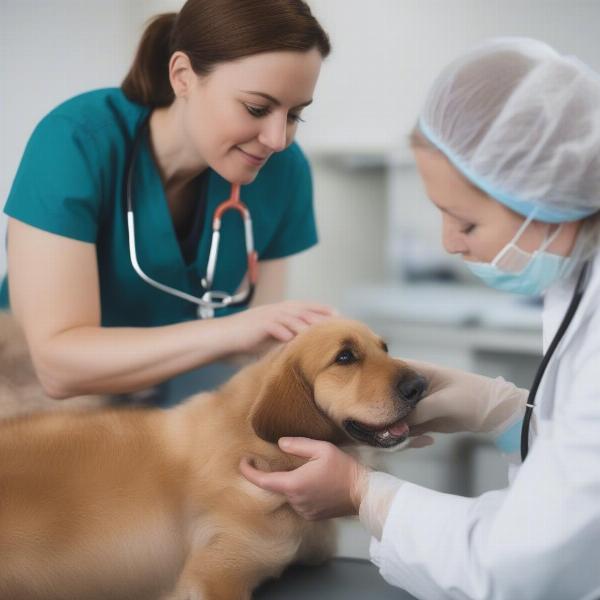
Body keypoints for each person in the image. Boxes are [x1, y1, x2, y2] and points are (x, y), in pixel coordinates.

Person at [241, 37, 600, 599]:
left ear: (547, 203)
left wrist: (365, 494)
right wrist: (510, 414)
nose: (449, 244)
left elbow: (519, 568)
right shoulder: (579, 271)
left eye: (466, 222)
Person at [1, 0, 334, 404]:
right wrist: (232, 332)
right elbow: (56, 367)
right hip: (30, 399)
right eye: (257, 108)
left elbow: (260, 347)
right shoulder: (76, 141)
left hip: (175, 399)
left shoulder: (283, 171)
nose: (278, 139)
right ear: (182, 76)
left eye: (295, 114)